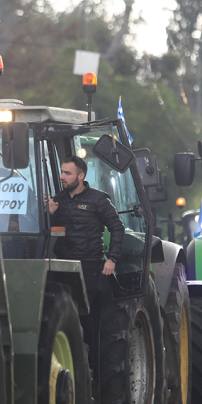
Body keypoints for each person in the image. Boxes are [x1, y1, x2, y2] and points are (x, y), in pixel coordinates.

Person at [46, 156, 125, 374]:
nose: (62, 177)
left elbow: (118, 228)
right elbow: (48, 231)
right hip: (62, 265)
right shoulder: (57, 200)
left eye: (67, 173)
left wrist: (112, 259)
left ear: (81, 176)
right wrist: (50, 214)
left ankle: (92, 370)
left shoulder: (98, 200)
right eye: (61, 172)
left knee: (86, 318)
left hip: (90, 266)